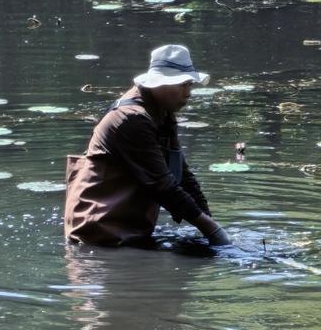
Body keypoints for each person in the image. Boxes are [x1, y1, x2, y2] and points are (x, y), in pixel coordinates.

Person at [64, 44, 231, 249]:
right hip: (99, 233)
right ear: (158, 84)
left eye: (190, 84)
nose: (189, 92)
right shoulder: (131, 119)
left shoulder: (162, 111)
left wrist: (209, 221)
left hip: (126, 230)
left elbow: (182, 174)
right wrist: (211, 230)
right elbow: (162, 184)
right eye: (182, 85)